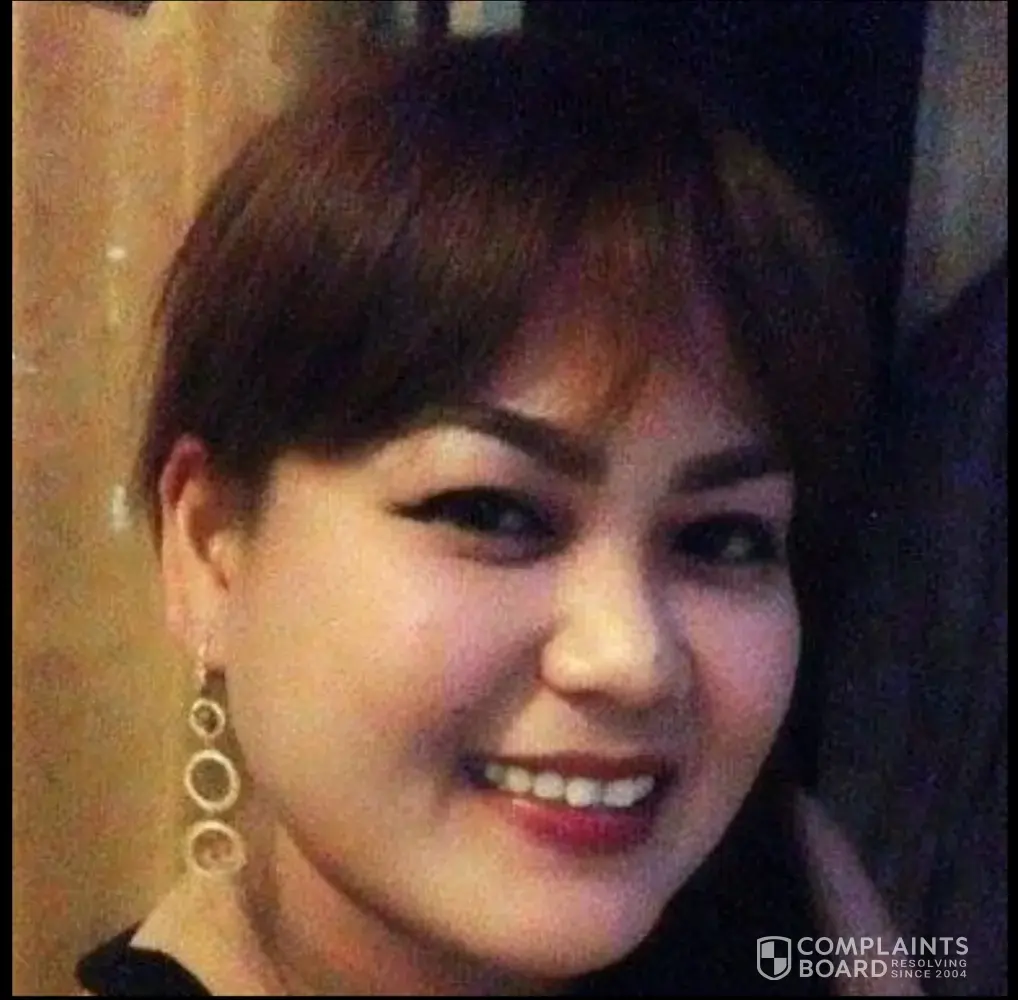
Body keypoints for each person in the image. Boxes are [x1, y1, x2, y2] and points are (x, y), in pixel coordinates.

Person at [75, 35, 907, 997]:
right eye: (494, 512)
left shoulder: (786, 884)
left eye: (722, 537)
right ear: (210, 550)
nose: (631, 658)